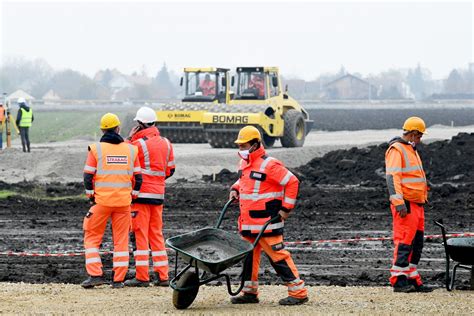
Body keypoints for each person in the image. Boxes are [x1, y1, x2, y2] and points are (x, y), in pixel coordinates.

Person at [229, 126, 308, 305]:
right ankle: (249, 292)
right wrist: (235, 189)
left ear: (255, 144)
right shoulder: (244, 163)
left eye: (244, 145)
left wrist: (285, 209)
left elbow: (292, 182)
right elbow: (244, 181)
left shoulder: (269, 164)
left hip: (267, 222)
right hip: (248, 223)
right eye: (239, 146)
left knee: (278, 257)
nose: (240, 149)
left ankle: (298, 293)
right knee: (248, 258)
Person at [81, 113, 143, 289]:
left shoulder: (96, 149)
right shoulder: (131, 150)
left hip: (101, 202)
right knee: (121, 240)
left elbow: (87, 175)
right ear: (118, 129)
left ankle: (95, 275)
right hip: (124, 203)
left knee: (92, 237)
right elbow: (138, 178)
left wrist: (90, 195)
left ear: (102, 129)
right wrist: (133, 196)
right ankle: (118, 280)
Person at [124, 106, 175, 287]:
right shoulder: (167, 143)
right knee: (156, 235)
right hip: (158, 196)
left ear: (140, 124)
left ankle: (142, 277)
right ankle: (163, 276)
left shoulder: (137, 145)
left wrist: (130, 138)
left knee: (140, 235)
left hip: (140, 197)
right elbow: (170, 170)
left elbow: (126, 162)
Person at [385, 116, 433, 293]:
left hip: (417, 203)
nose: (420, 139)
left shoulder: (410, 149)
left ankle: (412, 277)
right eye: (419, 136)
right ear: (413, 134)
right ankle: (398, 280)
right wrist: (398, 203)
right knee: (404, 242)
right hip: (406, 204)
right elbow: (392, 177)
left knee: (416, 243)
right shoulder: (397, 149)